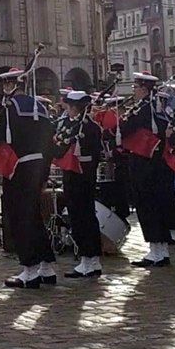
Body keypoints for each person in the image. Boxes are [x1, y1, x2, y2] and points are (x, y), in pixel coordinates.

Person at [0, 68, 57, 288]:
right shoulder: (41, 108)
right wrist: (43, 172)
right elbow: (50, 144)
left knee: (20, 218)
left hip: (19, 168)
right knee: (34, 216)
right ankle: (47, 267)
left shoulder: (9, 108)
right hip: (38, 166)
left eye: (6, 85)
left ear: (10, 85)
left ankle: (29, 270)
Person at [122, 71, 175, 268]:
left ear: (144, 89)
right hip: (156, 163)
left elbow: (125, 128)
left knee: (147, 205)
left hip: (144, 162)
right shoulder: (157, 107)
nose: (133, 91)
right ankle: (160, 250)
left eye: (135, 87)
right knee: (156, 205)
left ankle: (156, 251)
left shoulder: (143, 109)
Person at [57, 90, 104, 278]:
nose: (67, 111)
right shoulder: (72, 124)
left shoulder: (89, 128)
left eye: (69, 107)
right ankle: (90, 259)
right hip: (74, 175)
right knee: (81, 216)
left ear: (75, 108)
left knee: (83, 217)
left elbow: (92, 154)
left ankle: (89, 258)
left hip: (81, 177)